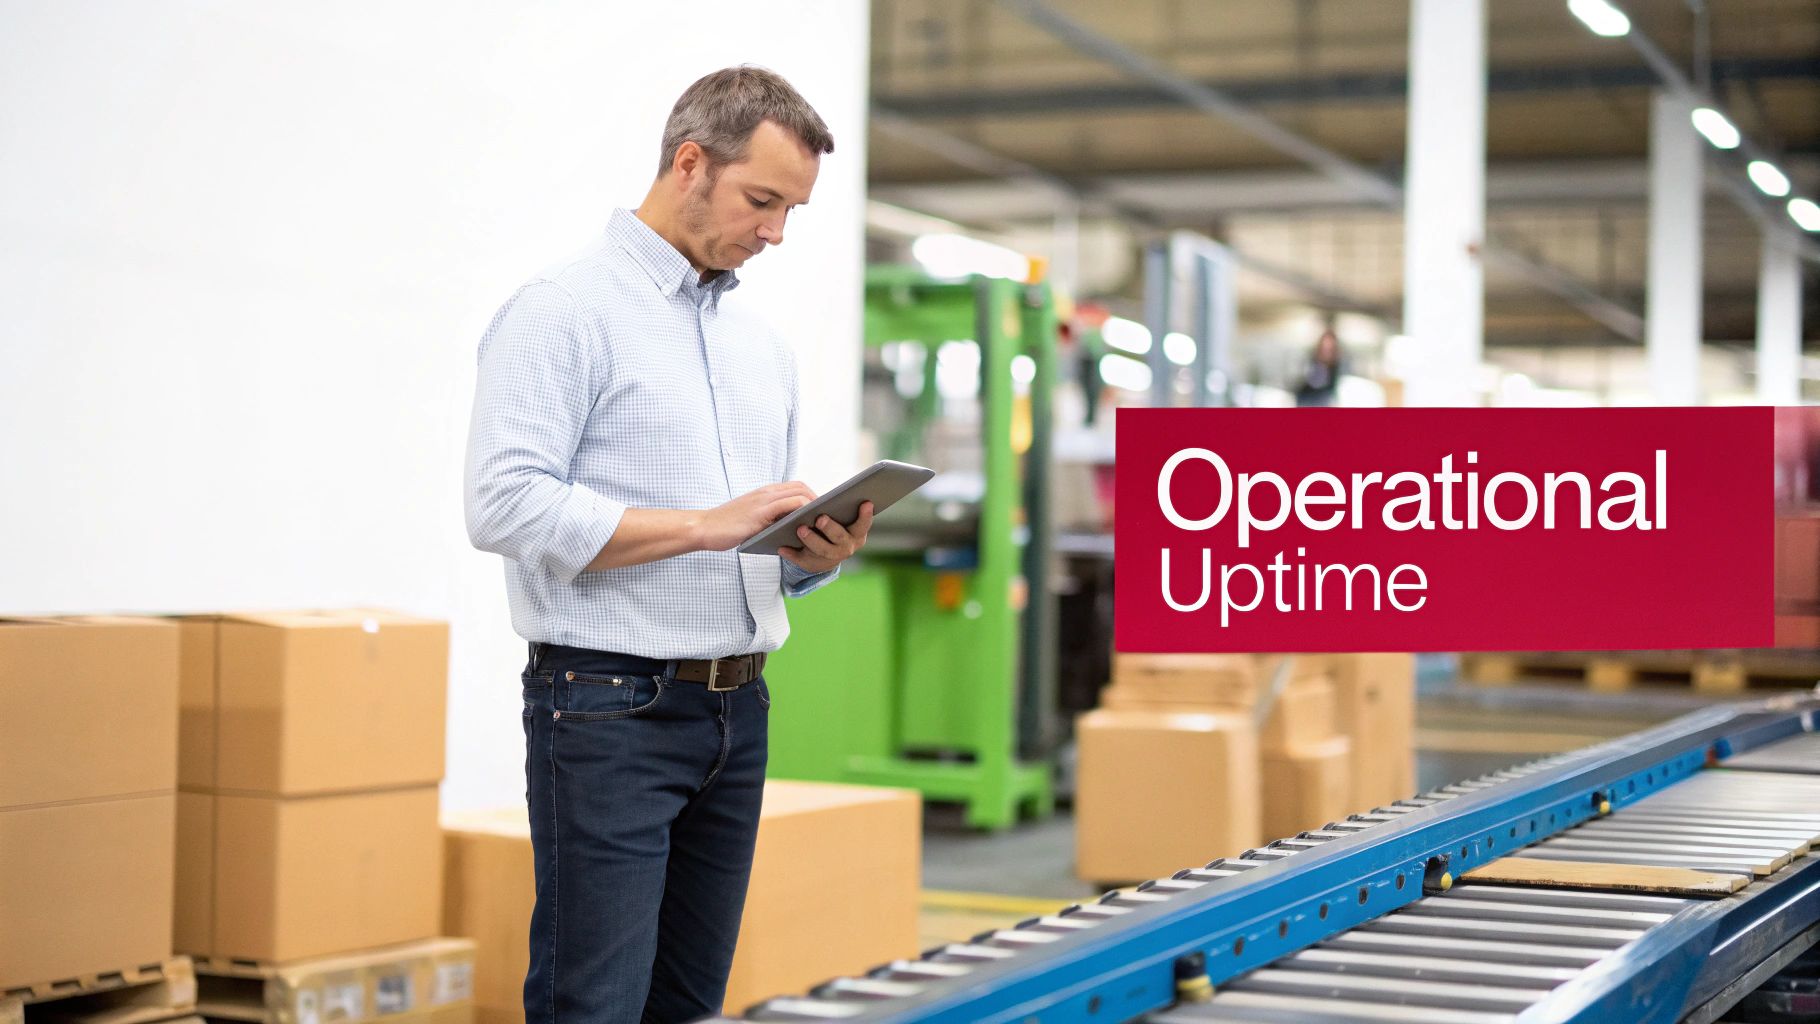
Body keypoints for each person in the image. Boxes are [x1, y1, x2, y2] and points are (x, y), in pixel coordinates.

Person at [462, 66, 872, 1024]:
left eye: (791, 211)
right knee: (594, 1004)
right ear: (691, 164)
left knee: (688, 1003)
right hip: (609, 708)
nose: (774, 232)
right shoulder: (563, 310)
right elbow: (504, 504)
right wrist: (705, 523)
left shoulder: (759, 348)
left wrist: (809, 558)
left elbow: (751, 550)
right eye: (761, 200)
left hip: (739, 710)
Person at [1295, 328, 1344, 407]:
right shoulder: (1312, 364)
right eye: (1324, 348)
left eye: (1330, 349)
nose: (1326, 351)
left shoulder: (1338, 367)